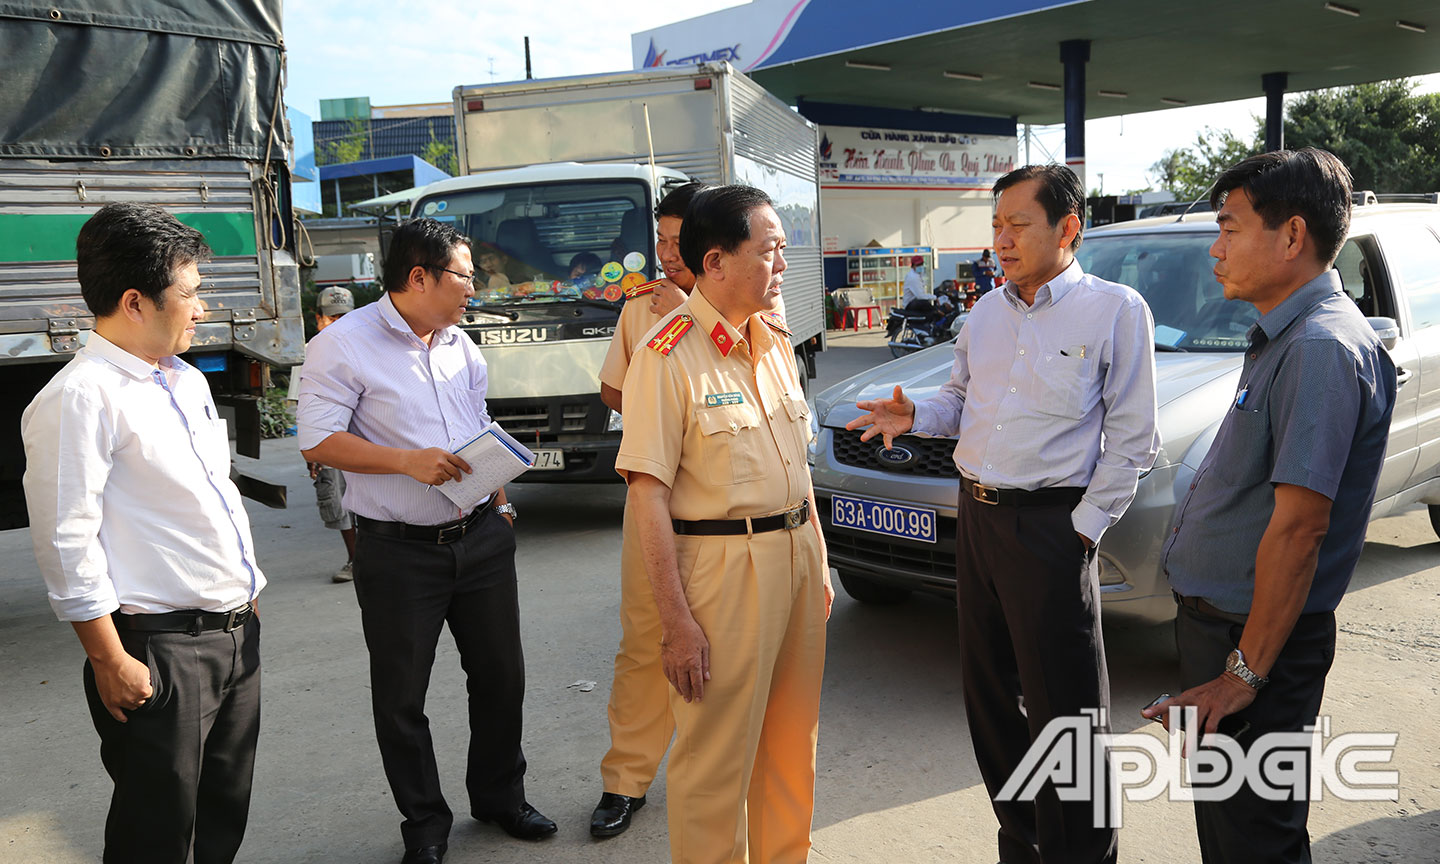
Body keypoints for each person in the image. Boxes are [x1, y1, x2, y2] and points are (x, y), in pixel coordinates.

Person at [847, 164, 1158, 864]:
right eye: (996, 225)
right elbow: (960, 400)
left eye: (1019, 224)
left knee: (1066, 713)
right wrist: (916, 413)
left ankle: (1082, 856)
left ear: (1067, 227)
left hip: (1051, 526)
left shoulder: (1114, 310)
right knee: (990, 700)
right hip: (977, 520)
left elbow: (1135, 439)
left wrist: (1083, 528)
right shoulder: (985, 313)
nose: (1002, 240)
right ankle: (1023, 844)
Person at [1143, 149, 1395, 864]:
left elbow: (1300, 528)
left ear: (1291, 237)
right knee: (1230, 830)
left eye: (1229, 227)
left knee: (1255, 840)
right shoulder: (1286, 336)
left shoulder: (1318, 346)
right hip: (1231, 633)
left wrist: (1241, 675)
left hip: (1256, 647)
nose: (1216, 249)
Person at [297, 218, 554, 864]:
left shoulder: (459, 345)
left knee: (501, 676)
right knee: (402, 697)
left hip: (481, 538)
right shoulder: (344, 346)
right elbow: (319, 439)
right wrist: (406, 461)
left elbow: (475, 421)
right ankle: (425, 826)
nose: (475, 287)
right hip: (398, 551)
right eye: (465, 276)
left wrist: (498, 494)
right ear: (419, 277)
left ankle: (500, 796)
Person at [21, 202, 265, 864]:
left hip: (232, 635)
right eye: (191, 293)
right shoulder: (80, 398)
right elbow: (66, 544)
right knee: (155, 833)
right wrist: (109, 658)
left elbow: (203, 501)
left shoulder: (184, 380)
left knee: (221, 815)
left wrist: (241, 595)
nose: (202, 308)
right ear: (134, 301)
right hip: (159, 651)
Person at [617, 184, 832, 864]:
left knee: (792, 747)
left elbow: (795, 468)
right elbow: (646, 495)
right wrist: (675, 621)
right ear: (716, 262)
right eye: (770, 251)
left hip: (796, 558)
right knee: (714, 765)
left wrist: (819, 562)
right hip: (721, 573)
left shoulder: (773, 338)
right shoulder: (666, 355)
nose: (783, 266)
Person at [589, 181, 706, 837]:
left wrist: (688, 312)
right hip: (652, 495)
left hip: (724, 503)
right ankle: (626, 780)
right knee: (644, 640)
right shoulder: (639, 309)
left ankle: (718, 768)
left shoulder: (745, 305)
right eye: (658, 240)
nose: (664, 254)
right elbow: (612, 390)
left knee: (729, 643)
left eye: (677, 240)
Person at [292, 284, 358, 582]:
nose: (338, 322)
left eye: (344, 315)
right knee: (336, 501)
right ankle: (356, 560)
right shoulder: (311, 352)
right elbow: (303, 406)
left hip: (367, 441)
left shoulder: (368, 347)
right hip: (330, 441)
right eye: (332, 317)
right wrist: (311, 451)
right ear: (318, 318)